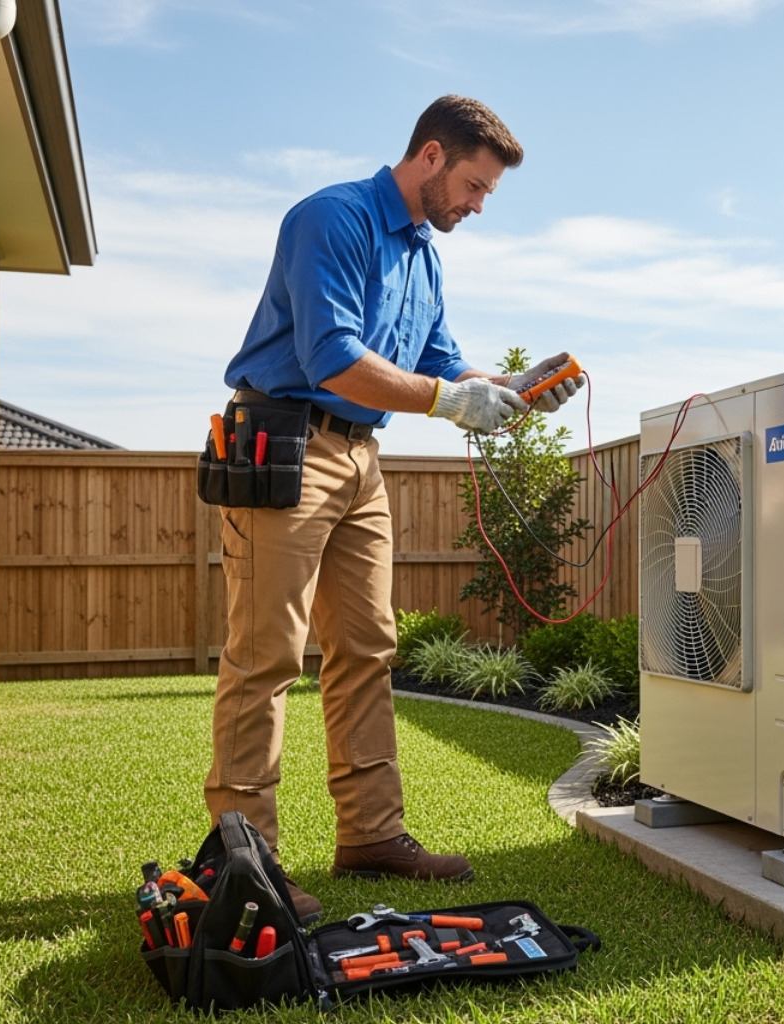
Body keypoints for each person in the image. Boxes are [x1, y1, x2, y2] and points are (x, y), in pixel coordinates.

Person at [204, 95, 583, 923]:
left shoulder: (423, 255)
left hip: (362, 458)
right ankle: (248, 860)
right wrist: (450, 401)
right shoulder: (331, 220)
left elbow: (443, 362)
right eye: (476, 187)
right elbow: (332, 356)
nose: (478, 206)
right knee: (266, 655)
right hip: (283, 444)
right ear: (433, 156)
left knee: (368, 649)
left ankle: (371, 834)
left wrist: (513, 391)